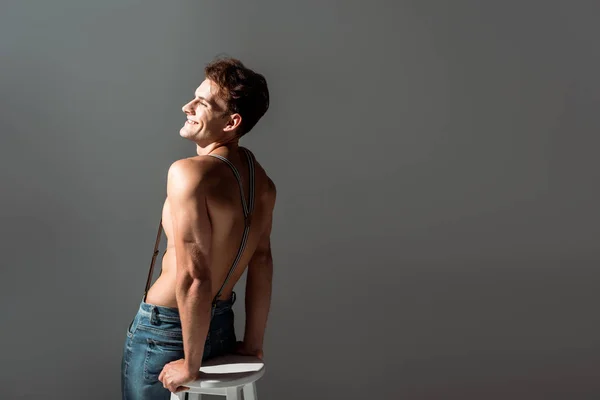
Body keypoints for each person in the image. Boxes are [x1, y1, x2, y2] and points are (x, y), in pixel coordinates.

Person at [121, 57, 276, 399]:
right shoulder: (260, 180)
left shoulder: (189, 173)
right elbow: (261, 261)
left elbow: (194, 276)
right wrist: (252, 345)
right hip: (220, 326)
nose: (186, 106)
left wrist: (190, 366)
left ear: (232, 122)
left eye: (202, 103)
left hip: (169, 331)